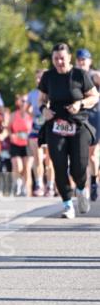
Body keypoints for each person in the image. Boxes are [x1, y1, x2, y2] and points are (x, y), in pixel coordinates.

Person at [38, 43, 98, 219]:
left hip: (78, 125)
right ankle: (67, 205)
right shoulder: (48, 76)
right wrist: (44, 110)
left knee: (79, 167)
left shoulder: (80, 75)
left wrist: (80, 103)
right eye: (55, 59)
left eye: (62, 58)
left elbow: (94, 96)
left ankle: (81, 189)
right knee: (59, 165)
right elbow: (41, 99)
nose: (59, 62)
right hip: (56, 125)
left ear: (70, 58)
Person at [75, 48, 100, 202]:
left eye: (84, 59)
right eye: (79, 60)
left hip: (94, 117)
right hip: (78, 118)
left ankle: (94, 181)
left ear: (90, 61)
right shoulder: (72, 76)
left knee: (92, 155)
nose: (81, 62)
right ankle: (81, 187)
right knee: (79, 155)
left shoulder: (94, 75)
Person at [8, 95, 33, 196]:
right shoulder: (13, 115)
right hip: (15, 144)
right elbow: (8, 128)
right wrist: (11, 135)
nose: (23, 103)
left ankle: (25, 188)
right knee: (18, 166)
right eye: (22, 101)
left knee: (27, 168)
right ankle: (17, 183)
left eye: (25, 101)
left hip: (28, 145)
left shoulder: (31, 115)